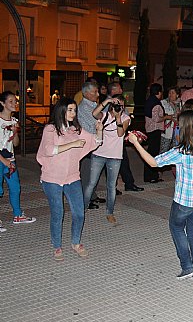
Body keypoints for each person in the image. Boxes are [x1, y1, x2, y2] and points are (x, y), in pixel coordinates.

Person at [128, 110, 193, 282]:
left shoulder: (181, 151)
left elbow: (154, 163)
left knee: (176, 227)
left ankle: (187, 267)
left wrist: (135, 143)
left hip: (185, 200)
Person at [37, 98, 104, 260]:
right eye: (70, 110)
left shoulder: (76, 130)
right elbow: (47, 149)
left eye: (74, 110)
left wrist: (99, 130)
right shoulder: (51, 129)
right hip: (52, 179)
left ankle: (75, 242)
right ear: (61, 111)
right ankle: (57, 246)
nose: (73, 113)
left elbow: (96, 141)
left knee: (79, 213)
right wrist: (72, 144)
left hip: (72, 177)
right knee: (57, 213)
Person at [83, 95, 130, 223]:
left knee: (111, 185)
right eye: (116, 104)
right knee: (91, 183)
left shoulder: (126, 118)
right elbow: (94, 113)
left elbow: (120, 134)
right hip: (98, 154)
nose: (118, 106)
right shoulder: (104, 115)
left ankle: (110, 212)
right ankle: (82, 209)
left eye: (120, 104)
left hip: (114, 156)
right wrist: (107, 101)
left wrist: (118, 116)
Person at [0, 91, 36, 229]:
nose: (14, 103)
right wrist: (4, 161)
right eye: (10, 101)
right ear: (2, 103)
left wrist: (15, 132)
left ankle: (18, 215)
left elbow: (15, 144)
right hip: (2, 160)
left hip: (11, 159)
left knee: (15, 188)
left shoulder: (14, 121)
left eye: (15, 101)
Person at [107, 82, 144, 193]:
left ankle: (128, 183)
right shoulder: (107, 105)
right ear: (113, 91)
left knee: (123, 163)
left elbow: (124, 123)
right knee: (110, 165)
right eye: (119, 89)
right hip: (110, 141)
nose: (122, 91)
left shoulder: (121, 106)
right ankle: (113, 187)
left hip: (119, 140)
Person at [77, 80, 105, 209]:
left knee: (93, 172)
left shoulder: (93, 105)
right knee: (87, 173)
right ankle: (85, 200)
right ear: (87, 93)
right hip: (88, 143)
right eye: (95, 92)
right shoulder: (84, 107)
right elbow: (95, 124)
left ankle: (92, 195)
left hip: (93, 142)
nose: (97, 94)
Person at [144, 83, 170, 183]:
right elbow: (156, 119)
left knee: (151, 152)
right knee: (153, 154)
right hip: (155, 130)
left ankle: (150, 176)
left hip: (150, 129)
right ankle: (151, 176)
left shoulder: (149, 101)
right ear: (159, 92)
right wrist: (167, 117)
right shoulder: (156, 103)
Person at [160, 87, 181, 153]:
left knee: (175, 150)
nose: (170, 95)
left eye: (173, 93)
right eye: (169, 93)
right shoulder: (163, 103)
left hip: (178, 129)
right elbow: (161, 115)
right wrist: (170, 117)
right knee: (164, 149)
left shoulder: (181, 103)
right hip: (167, 129)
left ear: (177, 95)